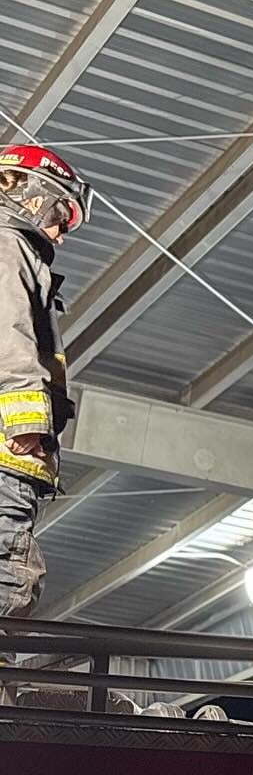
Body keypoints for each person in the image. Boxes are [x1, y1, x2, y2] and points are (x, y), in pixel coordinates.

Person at [0, 144, 91, 621]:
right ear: (27, 193)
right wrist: (28, 427)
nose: (61, 230)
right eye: (60, 211)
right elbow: (5, 331)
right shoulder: (5, 244)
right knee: (6, 580)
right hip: (6, 458)